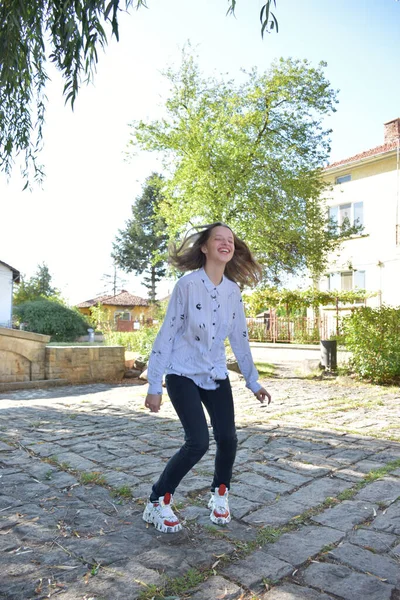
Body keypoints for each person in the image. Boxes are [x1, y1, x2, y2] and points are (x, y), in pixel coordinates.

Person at [142, 222, 271, 533]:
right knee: (197, 441)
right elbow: (167, 333)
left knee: (228, 438)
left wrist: (253, 382)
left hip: (215, 374)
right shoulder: (187, 285)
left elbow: (240, 339)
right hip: (181, 372)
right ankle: (157, 500)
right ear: (205, 247)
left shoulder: (233, 292)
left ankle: (219, 494)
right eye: (219, 239)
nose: (226, 244)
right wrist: (154, 384)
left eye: (230, 240)